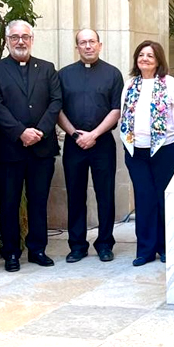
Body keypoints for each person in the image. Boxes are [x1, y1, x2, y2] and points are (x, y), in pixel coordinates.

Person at [0, 20, 62, 271]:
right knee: (8, 203)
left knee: (38, 201)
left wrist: (39, 130)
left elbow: (55, 102)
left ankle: (37, 249)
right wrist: (20, 132)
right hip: (10, 149)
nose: (21, 41)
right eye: (15, 37)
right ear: (7, 40)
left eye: (25, 37)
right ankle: (11, 253)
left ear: (32, 39)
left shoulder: (48, 68)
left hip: (42, 148)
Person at [58, 29, 125, 263]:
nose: (88, 46)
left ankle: (105, 243)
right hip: (74, 143)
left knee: (105, 194)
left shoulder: (113, 74)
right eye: (83, 42)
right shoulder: (64, 75)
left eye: (92, 42)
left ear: (100, 44)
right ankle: (77, 245)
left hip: (103, 142)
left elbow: (116, 109)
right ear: (77, 47)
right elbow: (58, 109)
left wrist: (94, 134)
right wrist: (76, 135)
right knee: (75, 195)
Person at [120, 40, 174, 266]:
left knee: (163, 199)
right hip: (136, 150)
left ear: (158, 60)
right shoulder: (130, 84)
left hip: (165, 148)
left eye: (150, 55)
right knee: (144, 199)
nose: (145, 58)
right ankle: (145, 250)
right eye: (141, 55)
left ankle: (166, 247)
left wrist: (173, 135)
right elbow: (125, 115)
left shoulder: (169, 83)